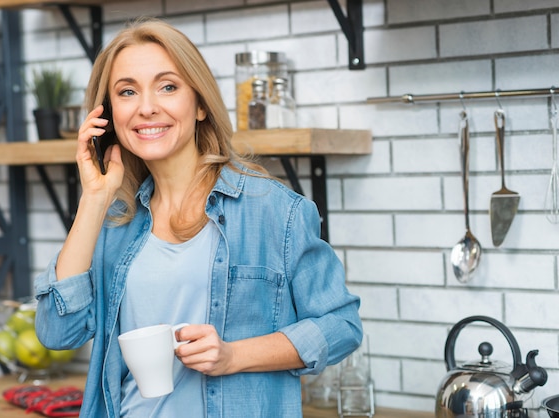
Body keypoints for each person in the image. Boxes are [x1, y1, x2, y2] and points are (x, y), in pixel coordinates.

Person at [34, 16, 363, 418]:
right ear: (108, 115)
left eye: (168, 86)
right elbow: (57, 332)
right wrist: (94, 198)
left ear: (201, 104)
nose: (147, 107)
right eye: (127, 92)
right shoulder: (112, 224)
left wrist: (233, 355)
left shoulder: (274, 210)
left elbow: (341, 325)